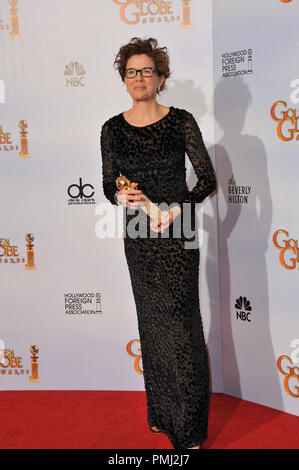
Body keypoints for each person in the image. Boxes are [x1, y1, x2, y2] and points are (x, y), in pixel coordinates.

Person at [100, 37, 216, 450]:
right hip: (138, 237)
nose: (138, 78)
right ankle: (161, 413)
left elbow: (207, 180)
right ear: (123, 78)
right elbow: (107, 182)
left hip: (178, 233)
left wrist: (178, 209)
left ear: (160, 77)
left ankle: (189, 429)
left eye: (147, 70)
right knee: (151, 327)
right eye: (131, 71)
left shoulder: (180, 121)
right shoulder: (112, 129)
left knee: (182, 328)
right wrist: (120, 195)